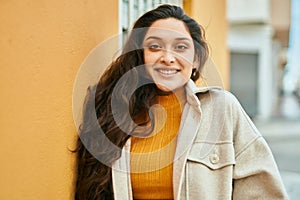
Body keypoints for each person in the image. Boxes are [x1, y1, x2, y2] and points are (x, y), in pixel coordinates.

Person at [74, 4, 288, 200]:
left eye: (180, 47)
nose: (167, 57)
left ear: (195, 59)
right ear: (141, 56)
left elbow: (264, 192)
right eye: (155, 46)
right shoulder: (116, 114)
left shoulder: (222, 108)